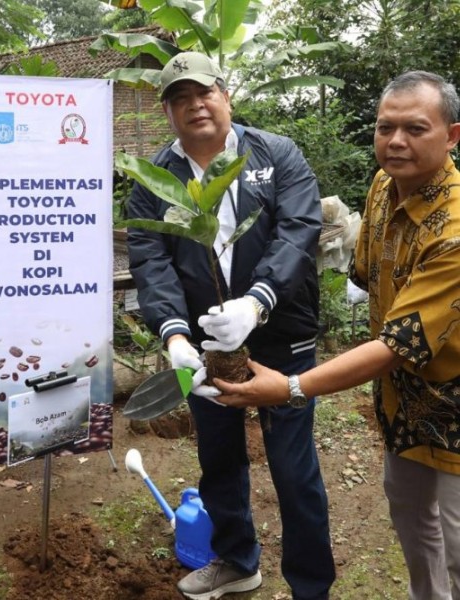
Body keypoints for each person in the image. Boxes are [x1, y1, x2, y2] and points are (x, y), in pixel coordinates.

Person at [215, 70, 460, 600]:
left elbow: (398, 343)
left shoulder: (456, 227)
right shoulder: (381, 186)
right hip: (405, 409)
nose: (396, 141)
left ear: (452, 135)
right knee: (415, 530)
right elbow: (366, 272)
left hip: (455, 410)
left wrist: (293, 387)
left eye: (415, 128)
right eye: (384, 127)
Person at [127, 51, 335, 599]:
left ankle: (311, 588)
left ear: (226, 96)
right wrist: (174, 333)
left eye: (204, 92)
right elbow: (150, 258)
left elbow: (298, 230)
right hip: (204, 345)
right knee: (218, 458)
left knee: (293, 469)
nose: (194, 105)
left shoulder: (276, 153)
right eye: (179, 98)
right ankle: (239, 561)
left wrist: (256, 302)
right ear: (167, 112)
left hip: (280, 333)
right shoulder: (155, 177)